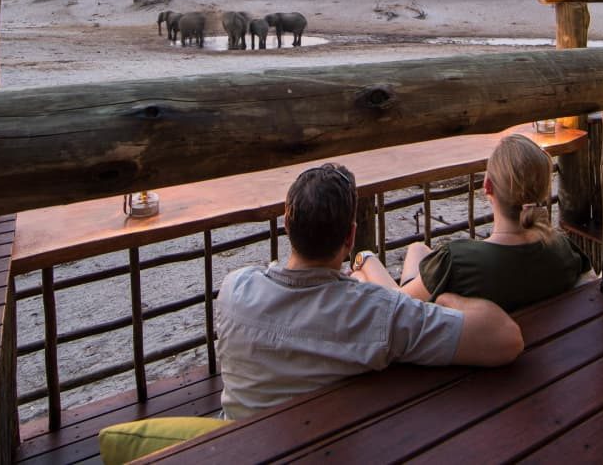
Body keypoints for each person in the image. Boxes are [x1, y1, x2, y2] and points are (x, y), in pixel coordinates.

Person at [215, 162, 524, 420]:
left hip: (234, 446)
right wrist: (445, 298)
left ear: (287, 224)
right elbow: (505, 338)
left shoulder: (234, 290)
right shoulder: (376, 313)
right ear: (350, 236)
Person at [357, 134, 590, 312]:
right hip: (546, 354)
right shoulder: (562, 248)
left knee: (363, 275)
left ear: (487, 186)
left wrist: (365, 258)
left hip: (470, 363)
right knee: (417, 248)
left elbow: (397, 304)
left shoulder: (457, 261)